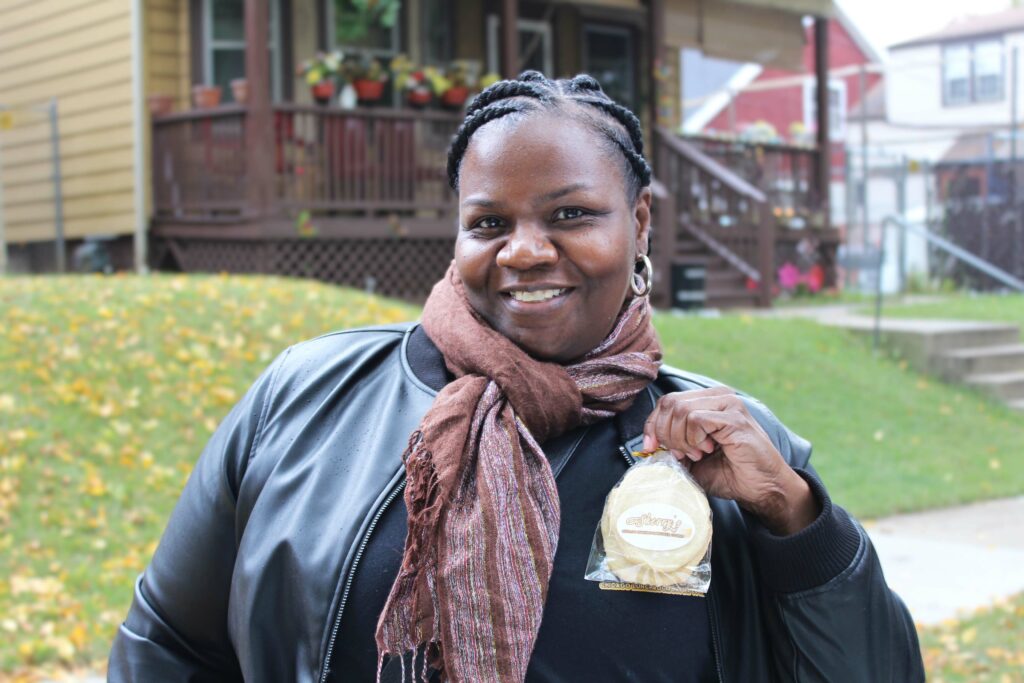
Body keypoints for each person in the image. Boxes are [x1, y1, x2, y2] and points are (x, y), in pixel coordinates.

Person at [109, 72, 924, 682]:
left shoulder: (729, 442)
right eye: (489, 223)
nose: (525, 250)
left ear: (638, 221)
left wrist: (795, 516)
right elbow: (168, 645)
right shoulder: (304, 396)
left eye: (570, 214)